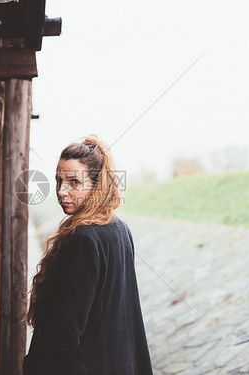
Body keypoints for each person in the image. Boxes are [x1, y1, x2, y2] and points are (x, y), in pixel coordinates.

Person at [23, 135, 153, 374]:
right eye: (58, 180)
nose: (62, 191)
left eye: (74, 182)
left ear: (96, 185)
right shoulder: (119, 228)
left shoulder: (83, 239)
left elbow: (64, 331)